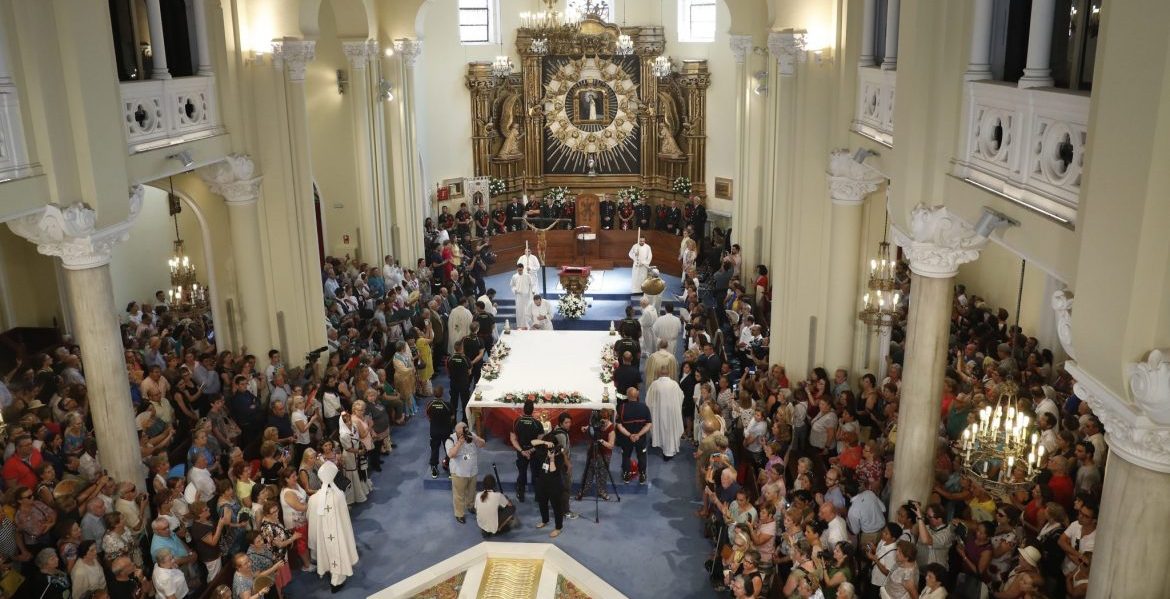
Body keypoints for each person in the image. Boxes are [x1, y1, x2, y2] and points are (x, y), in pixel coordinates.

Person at [306, 461, 358, 593]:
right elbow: (345, 519)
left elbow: (310, 519)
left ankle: (330, 571)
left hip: (323, 536)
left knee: (326, 553)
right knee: (339, 550)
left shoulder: (313, 499)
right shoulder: (339, 495)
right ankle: (338, 579)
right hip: (338, 534)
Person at [445, 421, 486, 524]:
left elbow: (482, 444)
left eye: (464, 433)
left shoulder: (470, 435)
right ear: (456, 432)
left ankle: (470, 506)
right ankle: (459, 514)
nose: (463, 435)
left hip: (472, 470)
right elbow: (451, 455)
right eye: (460, 434)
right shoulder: (450, 440)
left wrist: (475, 438)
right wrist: (459, 442)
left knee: (471, 491)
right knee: (459, 495)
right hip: (459, 472)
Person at [530, 433, 568, 538]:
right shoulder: (542, 449)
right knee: (542, 503)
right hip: (542, 482)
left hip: (554, 485)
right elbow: (532, 442)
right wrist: (544, 442)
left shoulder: (559, 455)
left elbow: (553, 470)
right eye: (546, 446)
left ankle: (558, 528)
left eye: (550, 446)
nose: (547, 448)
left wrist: (552, 459)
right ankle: (545, 520)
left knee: (556, 507)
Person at [645, 366, 684, 460]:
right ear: (669, 373)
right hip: (672, 412)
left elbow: (648, 400)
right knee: (670, 430)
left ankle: (664, 447)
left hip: (659, 411)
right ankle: (668, 451)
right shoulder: (674, 384)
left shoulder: (655, 384)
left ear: (659, 373)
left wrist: (653, 409)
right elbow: (681, 396)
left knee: (661, 429)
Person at [509, 401, 544, 503]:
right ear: (533, 410)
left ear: (523, 409)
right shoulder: (538, 424)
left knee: (522, 472)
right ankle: (538, 495)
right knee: (536, 473)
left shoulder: (517, 421)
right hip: (534, 452)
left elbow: (513, 439)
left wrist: (523, 451)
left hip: (521, 451)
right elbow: (540, 441)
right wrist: (531, 450)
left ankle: (521, 494)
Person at [617, 387, 653, 484]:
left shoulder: (622, 408)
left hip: (626, 439)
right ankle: (642, 475)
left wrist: (630, 435)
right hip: (640, 439)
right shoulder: (644, 407)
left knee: (626, 456)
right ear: (637, 395)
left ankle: (626, 475)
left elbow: (619, 425)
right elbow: (649, 424)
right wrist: (638, 435)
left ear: (627, 396)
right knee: (641, 456)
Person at [426, 389, 455, 479]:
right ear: (442, 394)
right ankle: (450, 468)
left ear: (434, 394)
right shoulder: (447, 405)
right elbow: (453, 417)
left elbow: (428, 417)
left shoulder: (429, 405)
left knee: (434, 449)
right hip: (446, 431)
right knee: (448, 449)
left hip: (434, 431)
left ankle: (434, 469)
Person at [447, 341, 472, 423]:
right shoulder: (465, 359)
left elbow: (448, 370)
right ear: (462, 348)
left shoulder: (449, 358)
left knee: (453, 402)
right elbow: (469, 372)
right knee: (465, 402)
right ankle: (465, 421)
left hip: (453, 383)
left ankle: (453, 421)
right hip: (463, 384)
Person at [511, 264, 534, 329]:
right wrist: (514, 290)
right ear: (517, 269)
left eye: (521, 270)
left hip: (526, 296)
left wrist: (531, 293)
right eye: (518, 270)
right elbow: (512, 285)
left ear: (523, 269)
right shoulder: (514, 276)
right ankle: (520, 325)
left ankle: (527, 325)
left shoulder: (527, 276)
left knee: (526, 310)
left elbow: (531, 285)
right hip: (519, 296)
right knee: (519, 311)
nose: (520, 271)